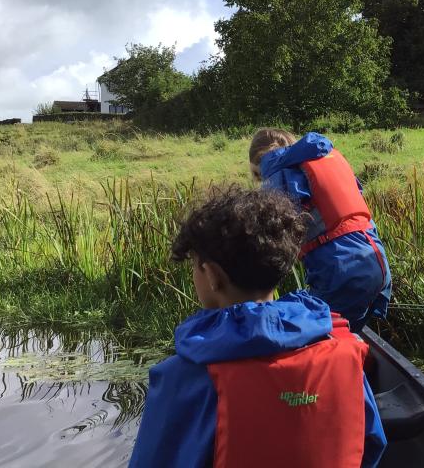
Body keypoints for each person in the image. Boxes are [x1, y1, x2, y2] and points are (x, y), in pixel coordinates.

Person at [129, 186, 386, 467]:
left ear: (212, 275)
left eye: (195, 266)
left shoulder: (183, 377)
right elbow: (371, 443)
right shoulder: (345, 351)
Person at [248, 128, 391, 332]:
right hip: (378, 263)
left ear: (259, 165)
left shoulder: (277, 175)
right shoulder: (324, 159)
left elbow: (272, 243)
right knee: (346, 335)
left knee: (307, 338)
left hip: (341, 272)